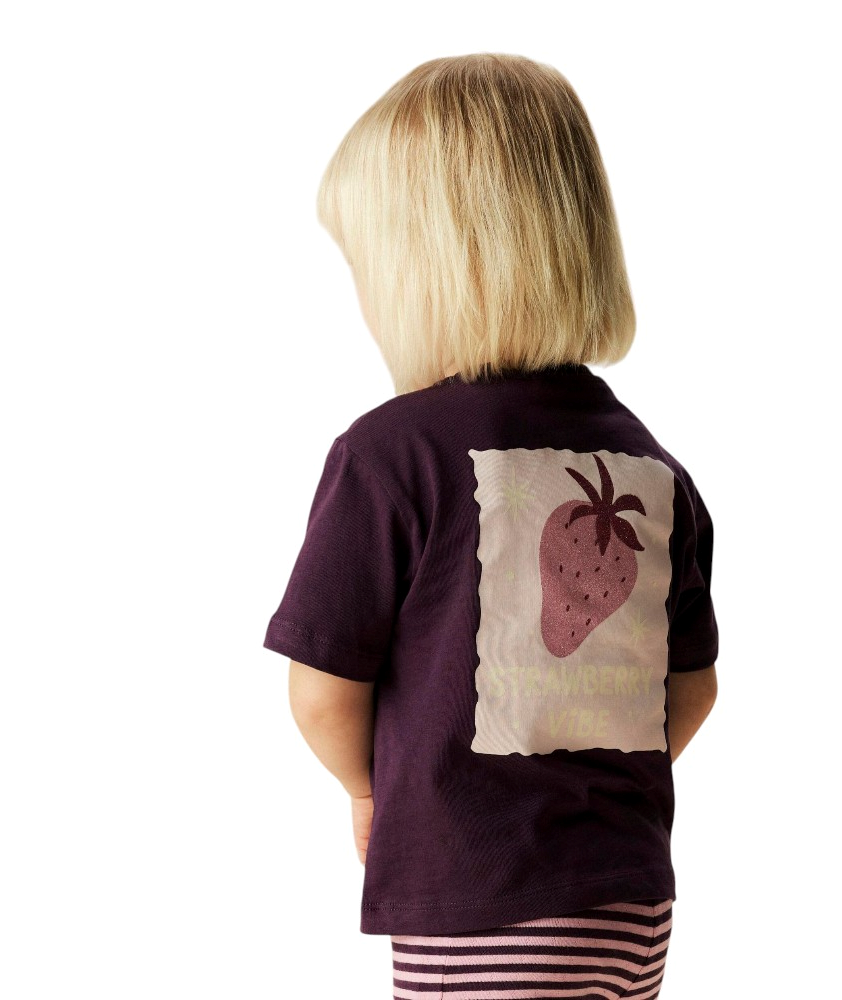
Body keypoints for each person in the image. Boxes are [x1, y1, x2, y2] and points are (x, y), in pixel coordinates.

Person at [263, 52, 719, 1000]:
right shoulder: (651, 469)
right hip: (631, 904)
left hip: (479, 906)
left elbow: (321, 694)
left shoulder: (391, 456)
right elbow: (690, 689)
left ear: (417, 272)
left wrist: (370, 793)